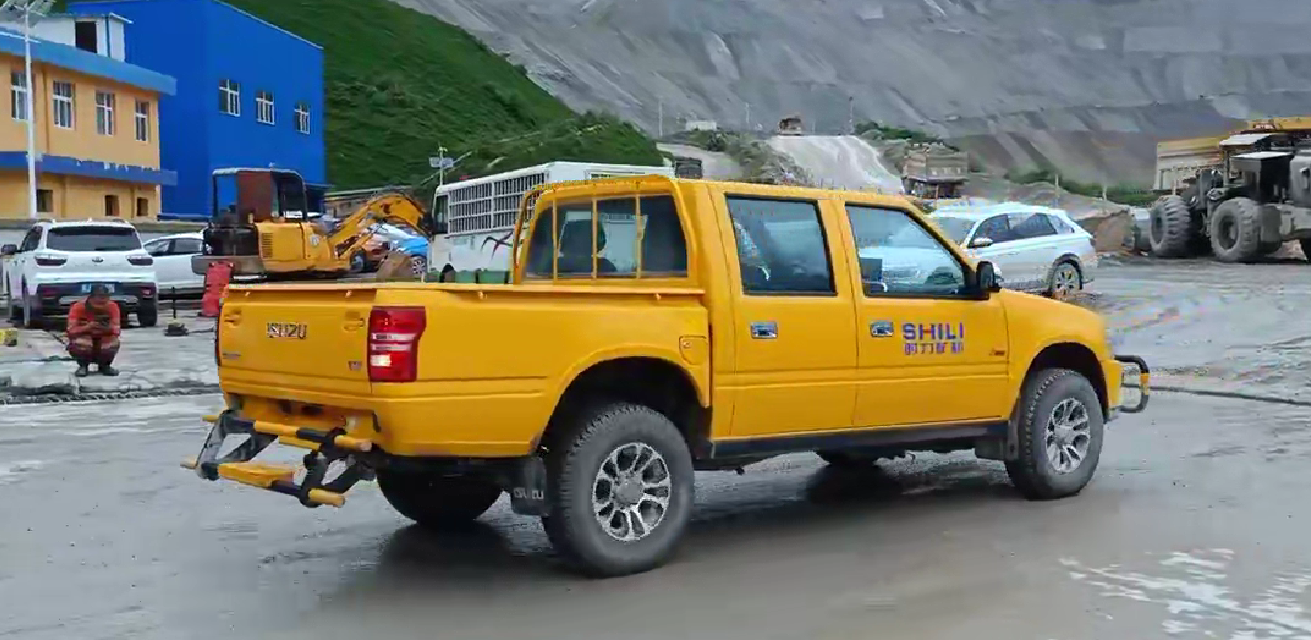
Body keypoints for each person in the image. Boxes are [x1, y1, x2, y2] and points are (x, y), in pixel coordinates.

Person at [67, 284, 121, 377]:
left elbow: (117, 330)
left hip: (103, 336)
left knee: (113, 342)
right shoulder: (78, 307)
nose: (100, 306)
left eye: (103, 303)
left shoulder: (113, 307)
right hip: (85, 336)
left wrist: (106, 328)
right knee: (81, 342)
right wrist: (88, 327)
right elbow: (71, 330)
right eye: (98, 302)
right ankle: (83, 365)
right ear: (90, 299)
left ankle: (105, 365)